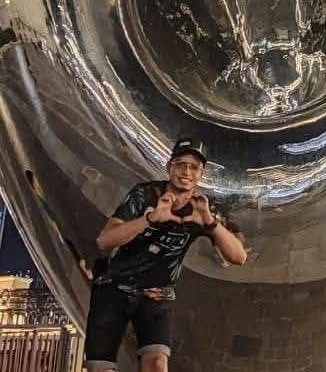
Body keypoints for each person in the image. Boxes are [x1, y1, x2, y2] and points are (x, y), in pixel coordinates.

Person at [84, 137, 247, 372]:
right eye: (180, 165)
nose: (186, 172)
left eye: (194, 167)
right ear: (169, 167)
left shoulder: (203, 207)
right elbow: (104, 241)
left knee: (157, 364)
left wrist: (210, 222)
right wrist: (150, 218)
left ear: (201, 174)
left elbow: (239, 257)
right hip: (113, 287)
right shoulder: (145, 195)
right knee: (101, 368)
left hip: (156, 294)